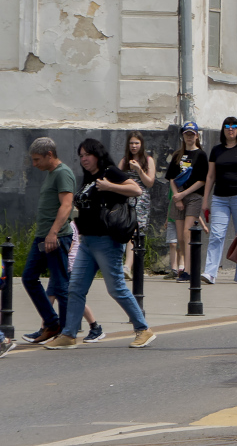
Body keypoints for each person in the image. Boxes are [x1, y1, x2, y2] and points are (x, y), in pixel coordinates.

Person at [45, 138, 155, 349]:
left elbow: (136, 190)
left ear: (98, 154)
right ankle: (69, 334)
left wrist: (109, 186)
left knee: (116, 289)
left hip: (106, 241)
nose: (84, 159)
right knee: (75, 288)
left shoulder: (110, 172)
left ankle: (143, 329)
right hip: (87, 241)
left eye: (87, 154)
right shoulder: (89, 177)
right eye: (81, 156)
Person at [21, 138, 75, 344]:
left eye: (37, 159)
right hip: (43, 236)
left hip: (56, 237)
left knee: (61, 285)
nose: (34, 164)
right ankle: (52, 324)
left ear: (49, 155)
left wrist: (53, 233)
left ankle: (67, 331)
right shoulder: (52, 174)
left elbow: (66, 205)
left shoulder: (63, 173)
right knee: (28, 277)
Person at [202, 117, 237, 284]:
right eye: (227, 126)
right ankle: (210, 273)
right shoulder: (216, 150)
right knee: (216, 235)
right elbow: (210, 176)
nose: (230, 129)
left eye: (234, 126)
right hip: (220, 199)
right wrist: (205, 200)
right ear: (223, 129)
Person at [165, 122, 208, 283]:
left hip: (193, 196)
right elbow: (171, 178)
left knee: (187, 232)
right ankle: (184, 265)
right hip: (178, 198)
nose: (189, 137)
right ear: (183, 136)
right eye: (186, 134)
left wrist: (184, 194)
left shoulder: (201, 155)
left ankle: (190, 270)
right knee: (180, 237)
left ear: (197, 135)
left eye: (192, 134)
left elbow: (202, 180)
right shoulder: (178, 155)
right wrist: (177, 196)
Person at [120, 132, 156, 276]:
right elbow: (116, 178)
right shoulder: (124, 160)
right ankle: (127, 266)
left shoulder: (148, 160)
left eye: (136, 143)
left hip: (141, 199)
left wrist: (139, 170)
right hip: (126, 198)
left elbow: (150, 182)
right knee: (125, 231)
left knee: (136, 232)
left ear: (141, 144)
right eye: (131, 143)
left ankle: (128, 266)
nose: (134, 146)